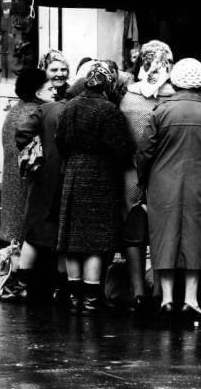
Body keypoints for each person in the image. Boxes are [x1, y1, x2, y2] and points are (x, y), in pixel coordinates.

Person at [136, 58, 201, 322]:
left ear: (175, 82)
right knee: (197, 239)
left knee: (163, 238)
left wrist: (143, 181)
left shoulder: (160, 111)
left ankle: (167, 298)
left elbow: (144, 152)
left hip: (162, 185)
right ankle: (191, 299)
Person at [56, 62, 132, 314]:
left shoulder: (70, 107)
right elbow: (122, 149)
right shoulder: (110, 110)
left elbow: (60, 142)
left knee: (72, 239)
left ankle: (74, 298)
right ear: (109, 84)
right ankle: (90, 299)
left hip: (73, 172)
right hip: (101, 175)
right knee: (94, 241)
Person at [14, 72, 82, 302]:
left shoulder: (46, 110)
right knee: (62, 237)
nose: (54, 89)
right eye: (49, 87)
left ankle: (21, 285)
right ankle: (61, 289)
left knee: (34, 234)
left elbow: (22, 132)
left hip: (44, 178)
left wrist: (36, 150)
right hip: (69, 178)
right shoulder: (75, 111)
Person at [119, 41, 175, 314]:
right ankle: (159, 292)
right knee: (161, 232)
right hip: (163, 176)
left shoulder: (127, 96)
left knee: (133, 232)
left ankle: (137, 290)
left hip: (131, 173)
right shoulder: (174, 96)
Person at [0, 69, 52, 245]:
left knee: (15, 240)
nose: (54, 91)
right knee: (24, 241)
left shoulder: (16, 110)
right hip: (27, 187)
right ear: (38, 92)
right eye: (50, 88)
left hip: (13, 184)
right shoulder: (36, 113)